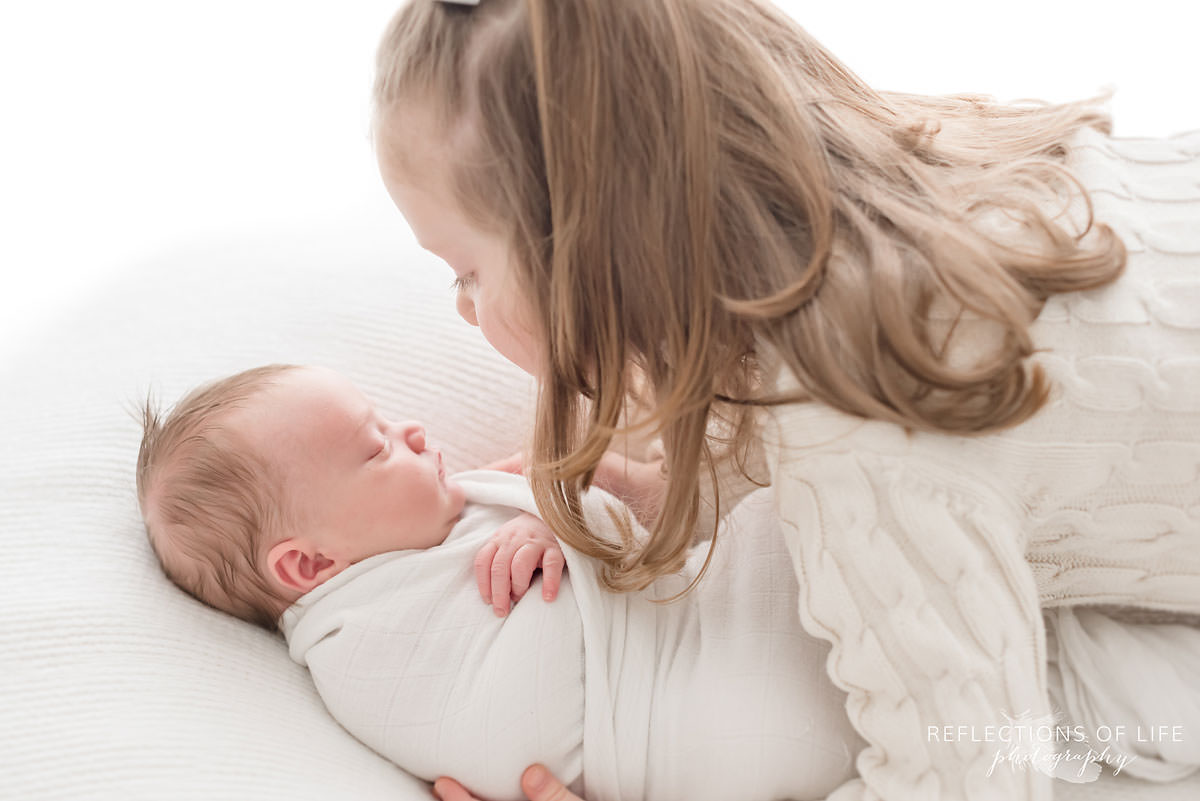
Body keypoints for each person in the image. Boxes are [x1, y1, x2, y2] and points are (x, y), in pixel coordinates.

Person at [370, 0, 1200, 799]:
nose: (463, 308)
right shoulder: (891, 173)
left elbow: (967, 774)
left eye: (467, 272)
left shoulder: (861, 423)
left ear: (594, 252)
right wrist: (657, 495)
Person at [135, 363, 867, 801]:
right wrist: (571, 528)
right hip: (729, 713)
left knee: (807, 501)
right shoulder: (363, 651)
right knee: (815, 511)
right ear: (309, 564)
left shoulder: (443, 525)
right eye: (375, 446)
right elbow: (519, 733)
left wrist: (559, 508)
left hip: (734, 639)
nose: (412, 430)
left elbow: (615, 503)